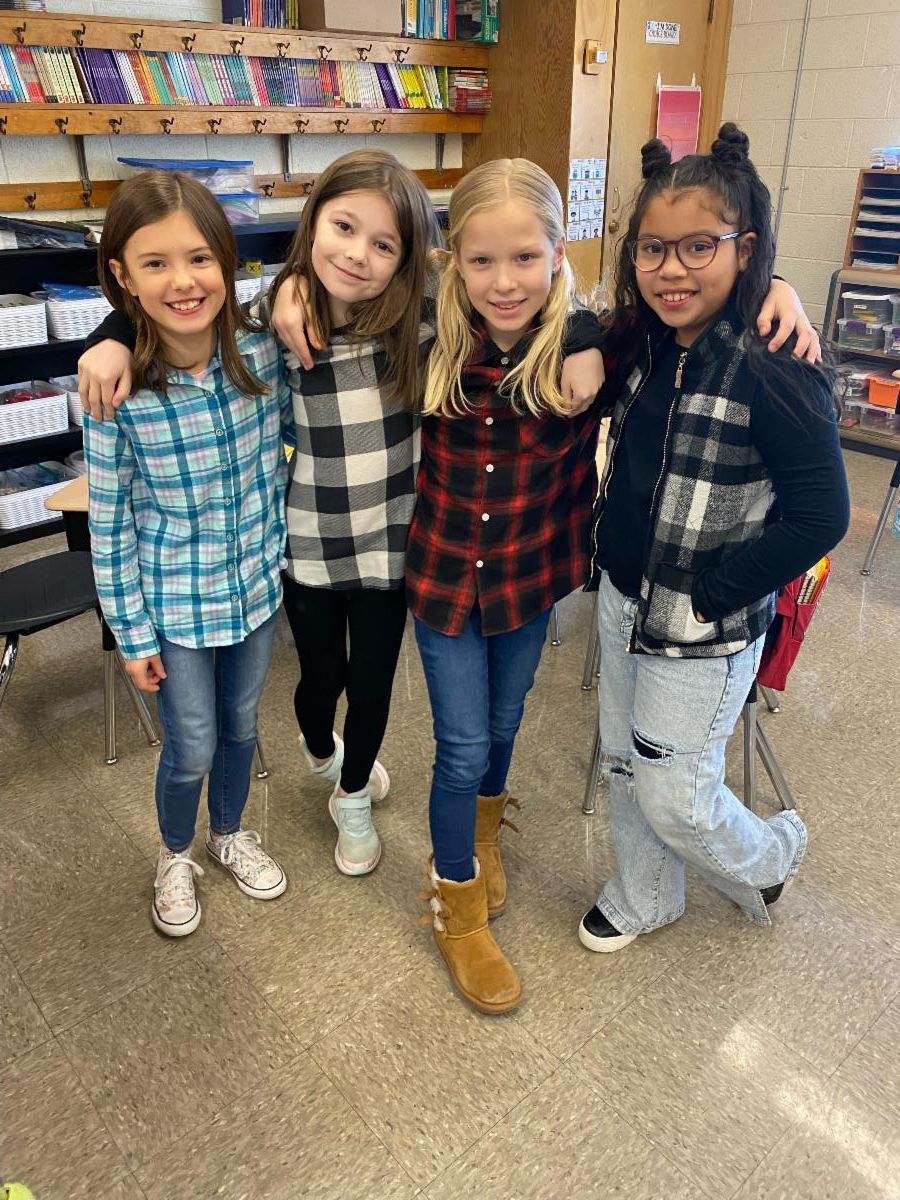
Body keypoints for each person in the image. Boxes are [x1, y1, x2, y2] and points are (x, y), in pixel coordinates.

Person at [79, 150, 604, 881]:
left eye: (384, 243)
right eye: (344, 228)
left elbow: (524, 286)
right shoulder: (272, 323)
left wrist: (583, 335)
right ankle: (323, 751)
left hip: (395, 549)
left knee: (374, 685)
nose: (358, 254)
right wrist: (109, 334)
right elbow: (181, 305)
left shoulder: (426, 316)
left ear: (409, 257)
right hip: (308, 549)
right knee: (318, 682)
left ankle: (352, 794)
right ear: (313, 222)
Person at [577, 124, 850, 957]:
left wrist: (713, 595)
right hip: (623, 598)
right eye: (653, 249)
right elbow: (572, 326)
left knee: (677, 793)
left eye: (700, 247)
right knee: (626, 764)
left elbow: (822, 516)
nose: (672, 269)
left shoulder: (775, 365)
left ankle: (772, 855)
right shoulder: (645, 339)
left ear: (746, 249)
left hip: (703, 625)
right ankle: (645, 894)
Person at [84, 171, 292, 937]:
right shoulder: (116, 388)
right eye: (156, 263)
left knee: (241, 725)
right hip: (174, 603)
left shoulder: (263, 352)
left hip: (255, 591)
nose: (183, 281)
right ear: (122, 276)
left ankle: (228, 832)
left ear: (227, 260)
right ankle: (175, 852)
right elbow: (110, 523)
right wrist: (131, 634)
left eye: (200, 258)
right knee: (193, 740)